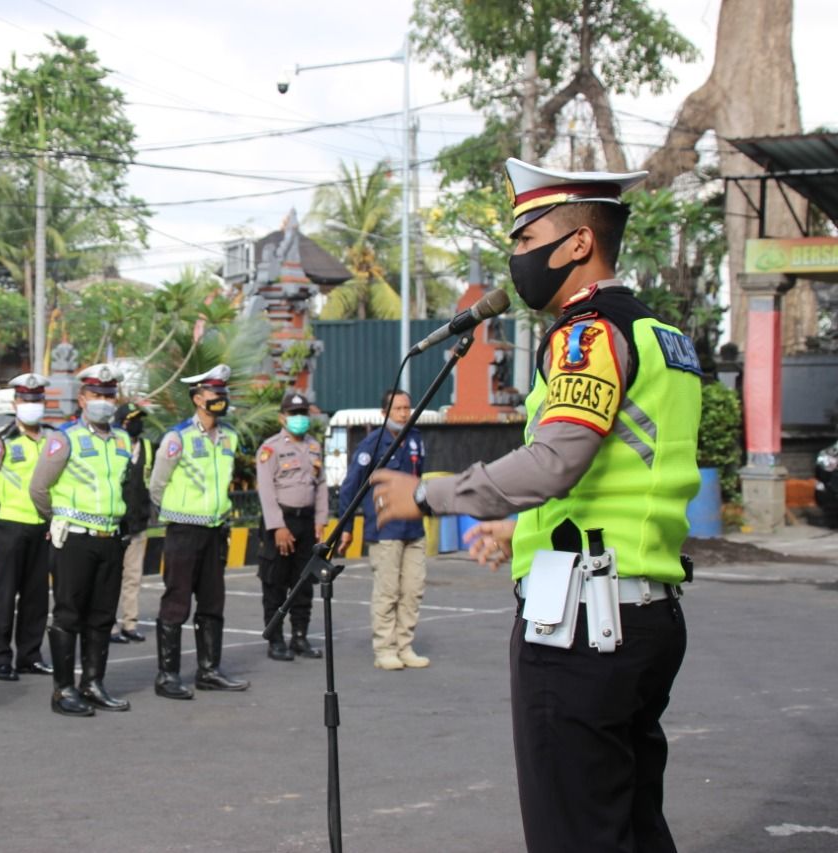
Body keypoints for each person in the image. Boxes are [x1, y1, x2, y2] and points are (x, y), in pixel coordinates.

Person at [371, 157, 699, 853]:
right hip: (644, 611)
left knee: (574, 831)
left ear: (578, 243)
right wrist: (517, 524)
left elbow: (558, 459)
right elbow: (620, 475)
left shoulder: (587, 334)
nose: (517, 257)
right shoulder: (658, 335)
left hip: (584, 623)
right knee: (632, 822)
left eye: (525, 239)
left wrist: (428, 494)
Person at [28, 364, 133, 716]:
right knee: (69, 613)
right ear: (83, 398)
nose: (104, 401)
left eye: (109, 395)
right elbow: (39, 488)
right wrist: (58, 519)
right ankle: (63, 690)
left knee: (102, 614)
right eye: (97, 395)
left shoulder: (123, 439)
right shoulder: (65, 438)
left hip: (110, 536)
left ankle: (93, 682)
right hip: (74, 537)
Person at [148, 364, 249, 699]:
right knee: (176, 601)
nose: (220, 398)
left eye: (223, 392)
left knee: (212, 601)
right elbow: (157, 485)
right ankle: (168, 675)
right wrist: (179, 512)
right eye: (213, 393)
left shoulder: (230, 436)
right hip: (183, 530)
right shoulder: (178, 438)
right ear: (197, 398)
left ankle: (209, 670)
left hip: (215, 530)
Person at [337, 389, 430, 671]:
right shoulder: (373, 444)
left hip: (414, 527)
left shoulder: (415, 441)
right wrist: (346, 525)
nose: (404, 413)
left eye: (407, 408)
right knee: (388, 591)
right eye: (398, 409)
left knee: (412, 590)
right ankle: (385, 648)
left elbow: (419, 481)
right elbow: (351, 486)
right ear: (384, 413)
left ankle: (405, 645)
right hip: (385, 527)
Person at [0, 373, 54, 681]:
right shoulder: (2, 440)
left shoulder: (52, 438)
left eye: (37, 400)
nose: (32, 405)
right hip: (9, 525)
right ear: (16, 403)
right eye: (26, 400)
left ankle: (29, 655)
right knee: (5, 596)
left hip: (42, 526)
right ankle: (0, 658)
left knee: (36, 596)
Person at [254, 390, 328, 662]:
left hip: (306, 521)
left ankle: (300, 637)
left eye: (303, 413)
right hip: (280, 522)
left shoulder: (314, 446)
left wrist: (321, 520)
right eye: (294, 414)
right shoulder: (270, 449)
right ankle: (275, 639)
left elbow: (320, 485)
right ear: (282, 417)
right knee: (274, 582)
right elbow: (265, 491)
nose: (299, 418)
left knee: (303, 582)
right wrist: (277, 527)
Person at [109, 401, 153, 645]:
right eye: (132, 420)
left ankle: (130, 623)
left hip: (138, 523)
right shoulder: (115, 446)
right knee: (111, 577)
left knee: (133, 577)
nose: (138, 424)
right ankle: (109, 624)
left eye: (139, 420)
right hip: (116, 523)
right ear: (122, 423)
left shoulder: (147, 447)